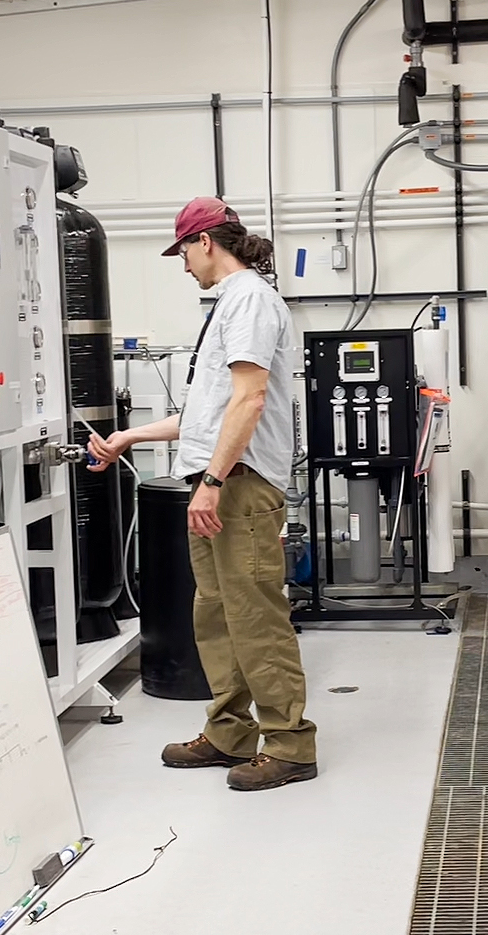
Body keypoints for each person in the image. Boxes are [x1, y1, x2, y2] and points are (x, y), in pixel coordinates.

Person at [87, 197, 317, 791]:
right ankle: (229, 731)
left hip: (237, 486)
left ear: (206, 242)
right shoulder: (228, 306)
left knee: (255, 616)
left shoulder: (249, 302)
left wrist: (212, 482)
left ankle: (290, 745)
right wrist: (129, 435)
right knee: (215, 613)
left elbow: (250, 400)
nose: (184, 264)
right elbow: (204, 415)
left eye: (184, 251)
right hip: (217, 481)